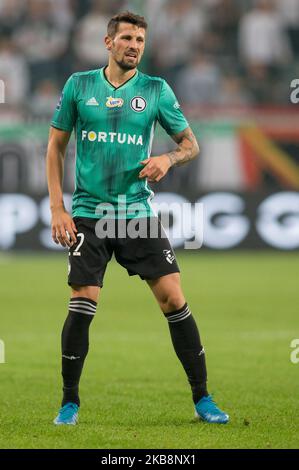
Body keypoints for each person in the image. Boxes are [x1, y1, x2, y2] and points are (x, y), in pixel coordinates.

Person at [46, 11, 229, 426]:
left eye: (141, 40)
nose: (134, 45)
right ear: (108, 43)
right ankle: (69, 403)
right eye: (127, 38)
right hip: (89, 215)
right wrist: (57, 207)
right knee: (83, 300)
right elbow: (55, 147)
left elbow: (191, 145)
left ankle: (203, 398)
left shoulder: (156, 89)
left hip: (136, 214)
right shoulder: (79, 86)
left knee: (173, 299)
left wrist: (168, 157)